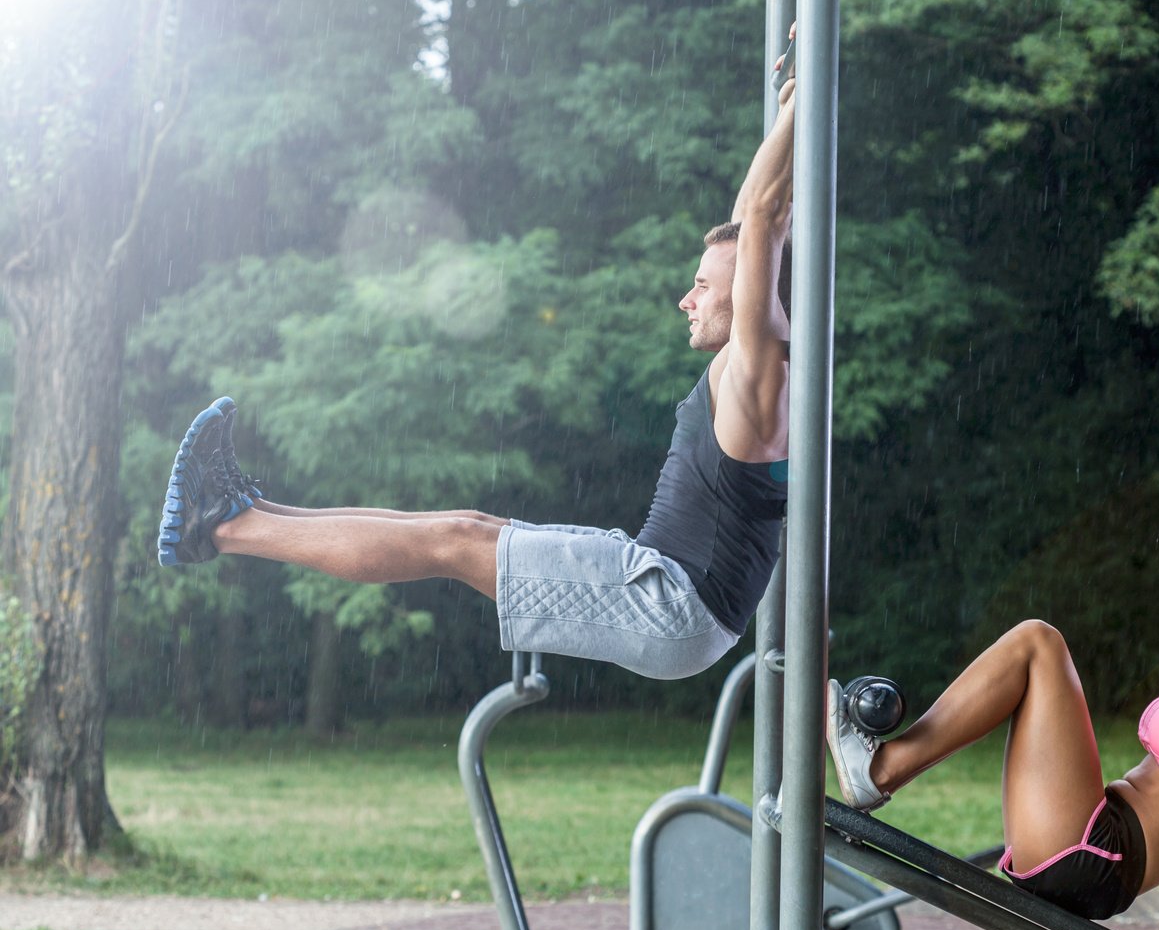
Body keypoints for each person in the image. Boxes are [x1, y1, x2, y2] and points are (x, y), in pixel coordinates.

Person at [155, 71, 801, 682]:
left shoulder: (760, 367)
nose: (685, 300)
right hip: (667, 584)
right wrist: (789, 110)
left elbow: (763, 224)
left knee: (451, 541)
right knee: (467, 523)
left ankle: (219, 527)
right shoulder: (759, 358)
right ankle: (245, 507)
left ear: (748, 294)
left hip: (673, 605)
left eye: (700, 286)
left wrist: (810, 99)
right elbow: (755, 221)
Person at [825, 531, 1159, 920]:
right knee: (1035, 650)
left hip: (1099, 856)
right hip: (1092, 847)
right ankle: (880, 771)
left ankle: (883, 770)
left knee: (1038, 642)